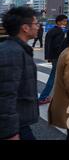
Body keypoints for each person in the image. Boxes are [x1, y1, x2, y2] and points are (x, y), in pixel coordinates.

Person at [0, 7, 39, 140]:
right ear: (25, 28)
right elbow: (5, 94)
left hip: (19, 121)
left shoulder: (16, 49)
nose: (38, 27)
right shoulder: (12, 52)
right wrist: (10, 133)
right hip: (15, 126)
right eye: (35, 23)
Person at [39, 14, 68, 105]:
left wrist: (48, 57)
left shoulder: (51, 31)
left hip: (53, 56)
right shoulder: (60, 32)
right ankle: (43, 97)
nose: (65, 22)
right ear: (59, 22)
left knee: (59, 76)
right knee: (53, 77)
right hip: (57, 57)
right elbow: (57, 46)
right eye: (64, 21)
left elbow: (47, 44)